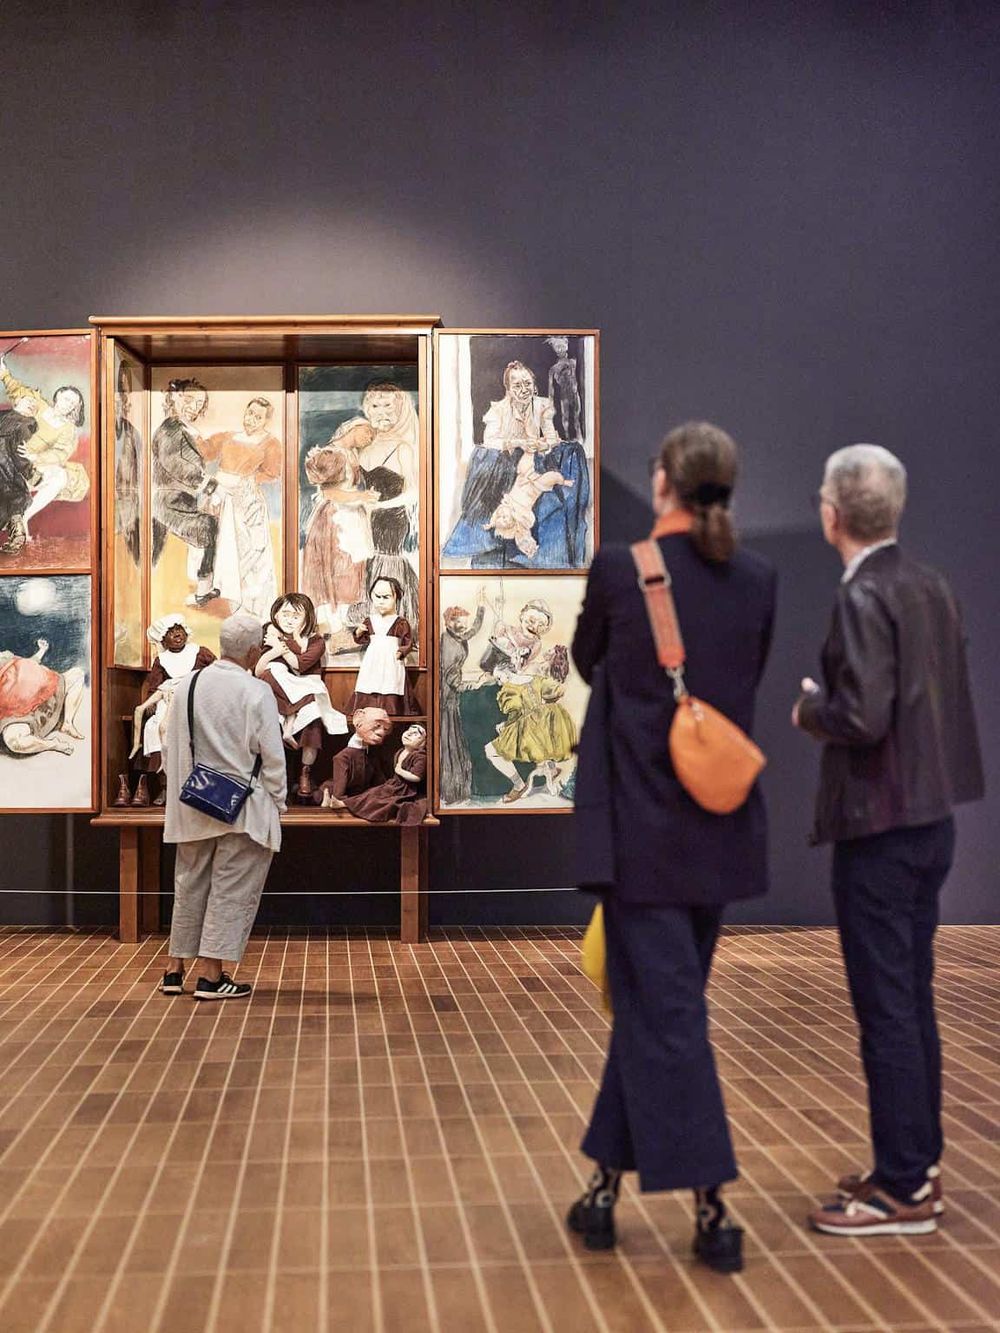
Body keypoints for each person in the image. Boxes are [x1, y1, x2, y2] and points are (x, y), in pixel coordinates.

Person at [568, 421, 776, 1274]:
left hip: (643, 842)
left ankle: (712, 1205)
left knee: (671, 1014)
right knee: (661, 1003)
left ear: (663, 483)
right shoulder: (758, 579)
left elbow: (587, 660)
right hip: (718, 835)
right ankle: (601, 1193)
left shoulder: (625, 571)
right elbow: (749, 678)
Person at [793, 444, 984, 1237]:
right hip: (931, 819)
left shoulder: (863, 593)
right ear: (893, 509)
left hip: (878, 825)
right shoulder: (930, 583)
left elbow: (864, 716)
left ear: (831, 512)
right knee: (911, 998)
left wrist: (812, 710)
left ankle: (903, 1187)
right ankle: (916, 1165)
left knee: (888, 1007)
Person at [159, 614, 287, 1000]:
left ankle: (174, 968)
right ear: (253, 650)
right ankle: (212, 977)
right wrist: (278, 800)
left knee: (190, 883)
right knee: (231, 888)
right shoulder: (255, 690)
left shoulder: (188, 684)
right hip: (240, 805)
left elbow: (167, 739)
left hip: (193, 799)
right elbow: (272, 754)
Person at [199, 396, 282, 618]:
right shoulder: (229, 437)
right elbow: (204, 450)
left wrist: (249, 481)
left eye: (258, 417)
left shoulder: (270, 443)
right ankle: (221, 591)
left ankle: (251, 603)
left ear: (266, 421)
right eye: (250, 413)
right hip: (220, 497)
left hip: (247, 501)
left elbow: (272, 473)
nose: (252, 420)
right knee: (220, 546)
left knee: (251, 549)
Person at [0, 354, 88, 540]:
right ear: (57, 396)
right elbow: (17, 390)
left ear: (75, 409)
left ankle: (23, 519)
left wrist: (35, 457)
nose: (67, 404)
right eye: (66, 399)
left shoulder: (68, 429)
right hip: (9, 456)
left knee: (61, 476)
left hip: (33, 464)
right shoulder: (38, 404)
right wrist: (4, 372)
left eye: (72, 403)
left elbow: (60, 454)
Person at [151, 377, 219, 607]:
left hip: (182, 500)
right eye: (190, 400)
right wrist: (209, 485)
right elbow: (177, 465)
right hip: (168, 501)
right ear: (176, 397)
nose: (194, 408)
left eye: (199, 405)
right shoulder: (170, 428)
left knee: (209, 526)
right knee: (209, 526)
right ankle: (202, 590)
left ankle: (202, 587)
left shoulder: (184, 429)